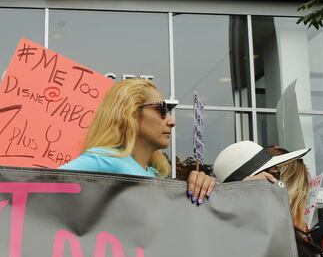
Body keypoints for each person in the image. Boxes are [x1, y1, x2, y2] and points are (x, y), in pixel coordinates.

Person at [215, 142, 323, 257]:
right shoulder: (221, 236)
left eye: (276, 175)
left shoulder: (283, 236)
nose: (275, 181)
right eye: (270, 175)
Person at [60, 79, 216, 206]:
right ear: (131, 113)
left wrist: (201, 185)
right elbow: (41, 189)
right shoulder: (104, 160)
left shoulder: (155, 174)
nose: (171, 121)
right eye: (162, 110)